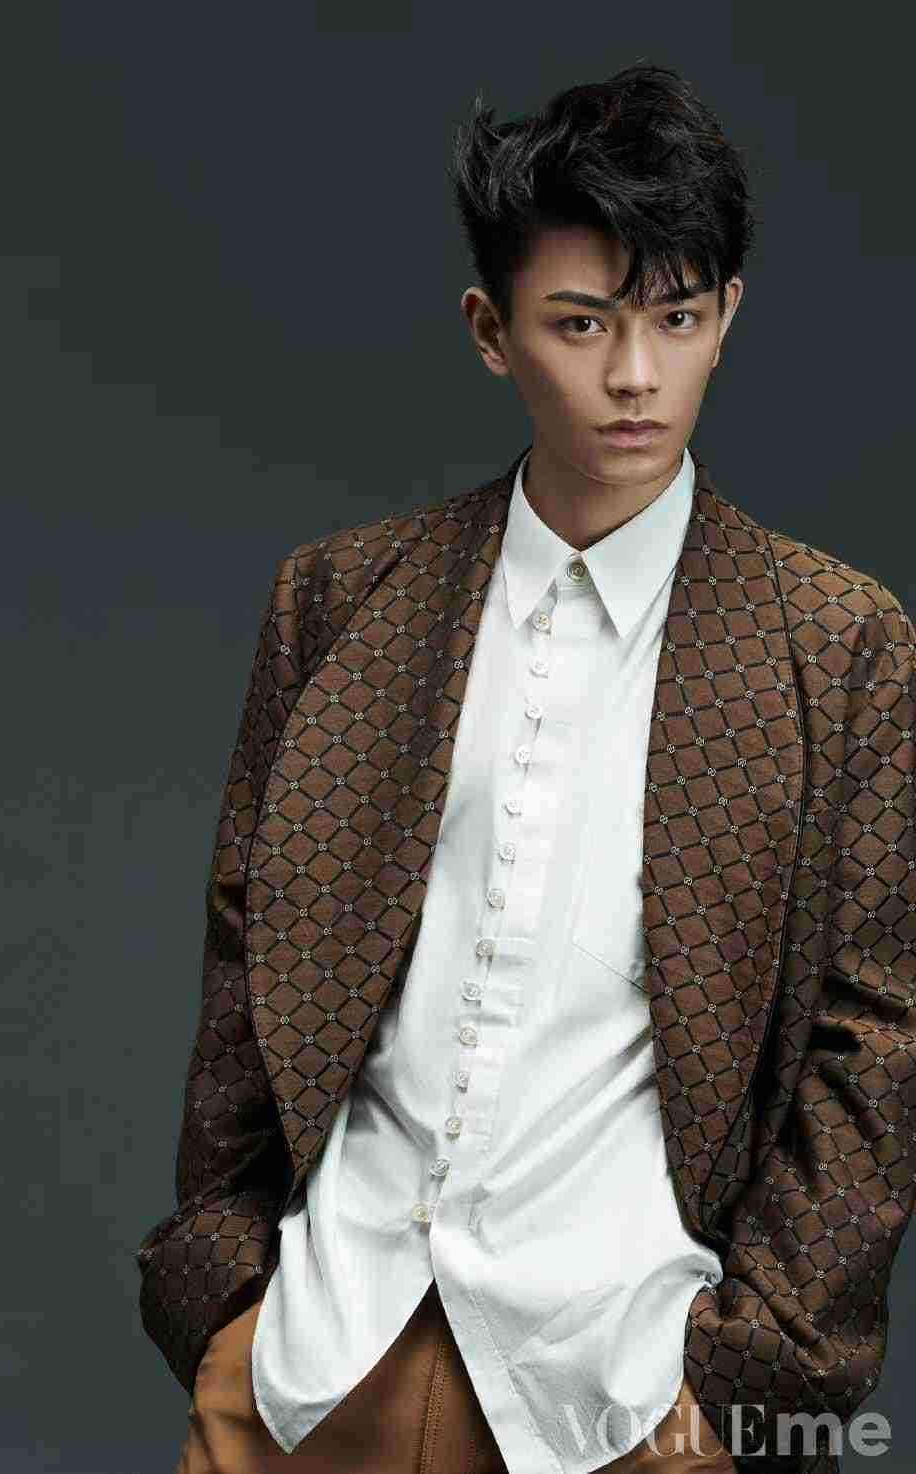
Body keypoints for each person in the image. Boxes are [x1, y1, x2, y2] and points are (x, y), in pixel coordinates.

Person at [135, 60, 916, 1474]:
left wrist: (749, 1378)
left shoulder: (836, 643)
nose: (635, 376)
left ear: (729, 317)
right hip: (319, 1358)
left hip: (623, 1391)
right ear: (491, 332)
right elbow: (253, 953)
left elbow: (876, 1042)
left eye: (677, 318)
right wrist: (225, 1305)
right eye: (582, 322)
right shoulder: (344, 601)